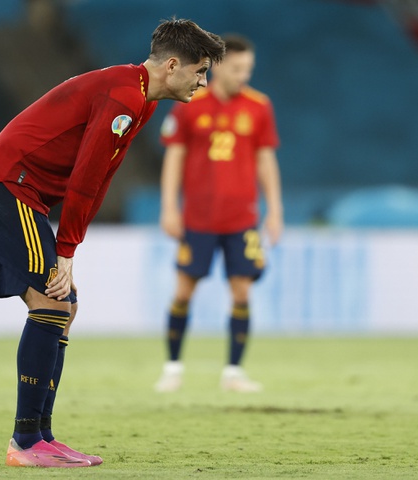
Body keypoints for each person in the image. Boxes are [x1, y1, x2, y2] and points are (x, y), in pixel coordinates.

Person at [0, 19, 225, 468]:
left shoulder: (138, 98)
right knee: (51, 303)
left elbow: (101, 177)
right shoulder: (124, 97)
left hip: (18, 189)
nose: (203, 82)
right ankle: (26, 442)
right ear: (172, 65)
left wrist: (69, 248)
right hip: (6, 184)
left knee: (65, 305)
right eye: (200, 71)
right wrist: (66, 250)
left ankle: (42, 436)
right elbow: (84, 176)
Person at [155, 34, 283, 393]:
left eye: (248, 69)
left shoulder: (259, 106)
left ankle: (233, 372)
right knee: (184, 291)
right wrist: (169, 208)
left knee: (242, 292)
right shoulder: (190, 103)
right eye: (238, 68)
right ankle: (172, 368)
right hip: (198, 219)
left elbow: (266, 160)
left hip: (241, 219)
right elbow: (174, 157)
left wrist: (275, 210)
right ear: (219, 66)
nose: (244, 75)